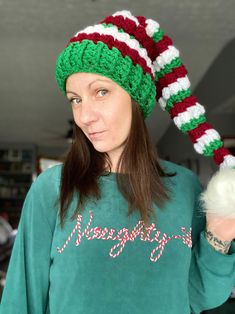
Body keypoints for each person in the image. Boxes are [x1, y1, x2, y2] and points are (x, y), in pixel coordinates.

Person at [0, 9, 235, 314]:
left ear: (136, 98)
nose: (84, 116)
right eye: (75, 99)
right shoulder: (53, 188)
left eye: (101, 92)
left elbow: (199, 297)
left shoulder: (185, 188)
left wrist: (220, 232)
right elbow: (21, 300)